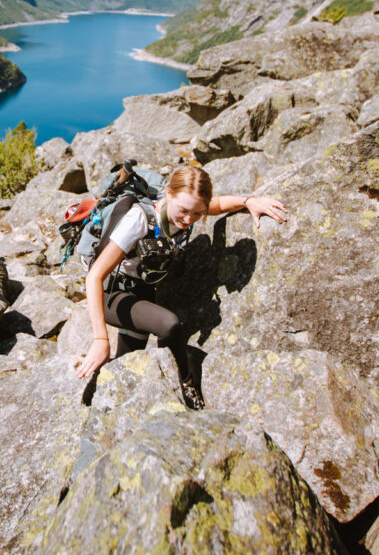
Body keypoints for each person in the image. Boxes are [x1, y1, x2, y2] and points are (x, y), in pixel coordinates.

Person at [74, 165, 287, 408]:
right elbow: (94, 276)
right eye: (183, 211)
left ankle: (102, 397)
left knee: (127, 365)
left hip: (139, 285)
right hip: (109, 290)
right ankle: (186, 381)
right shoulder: (139, 219)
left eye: (197, 214)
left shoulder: (191, 208)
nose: (188, 220)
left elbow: (217, 205)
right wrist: (100, 338)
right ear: (168, 195)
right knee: (169, 324)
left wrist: (249, 201)